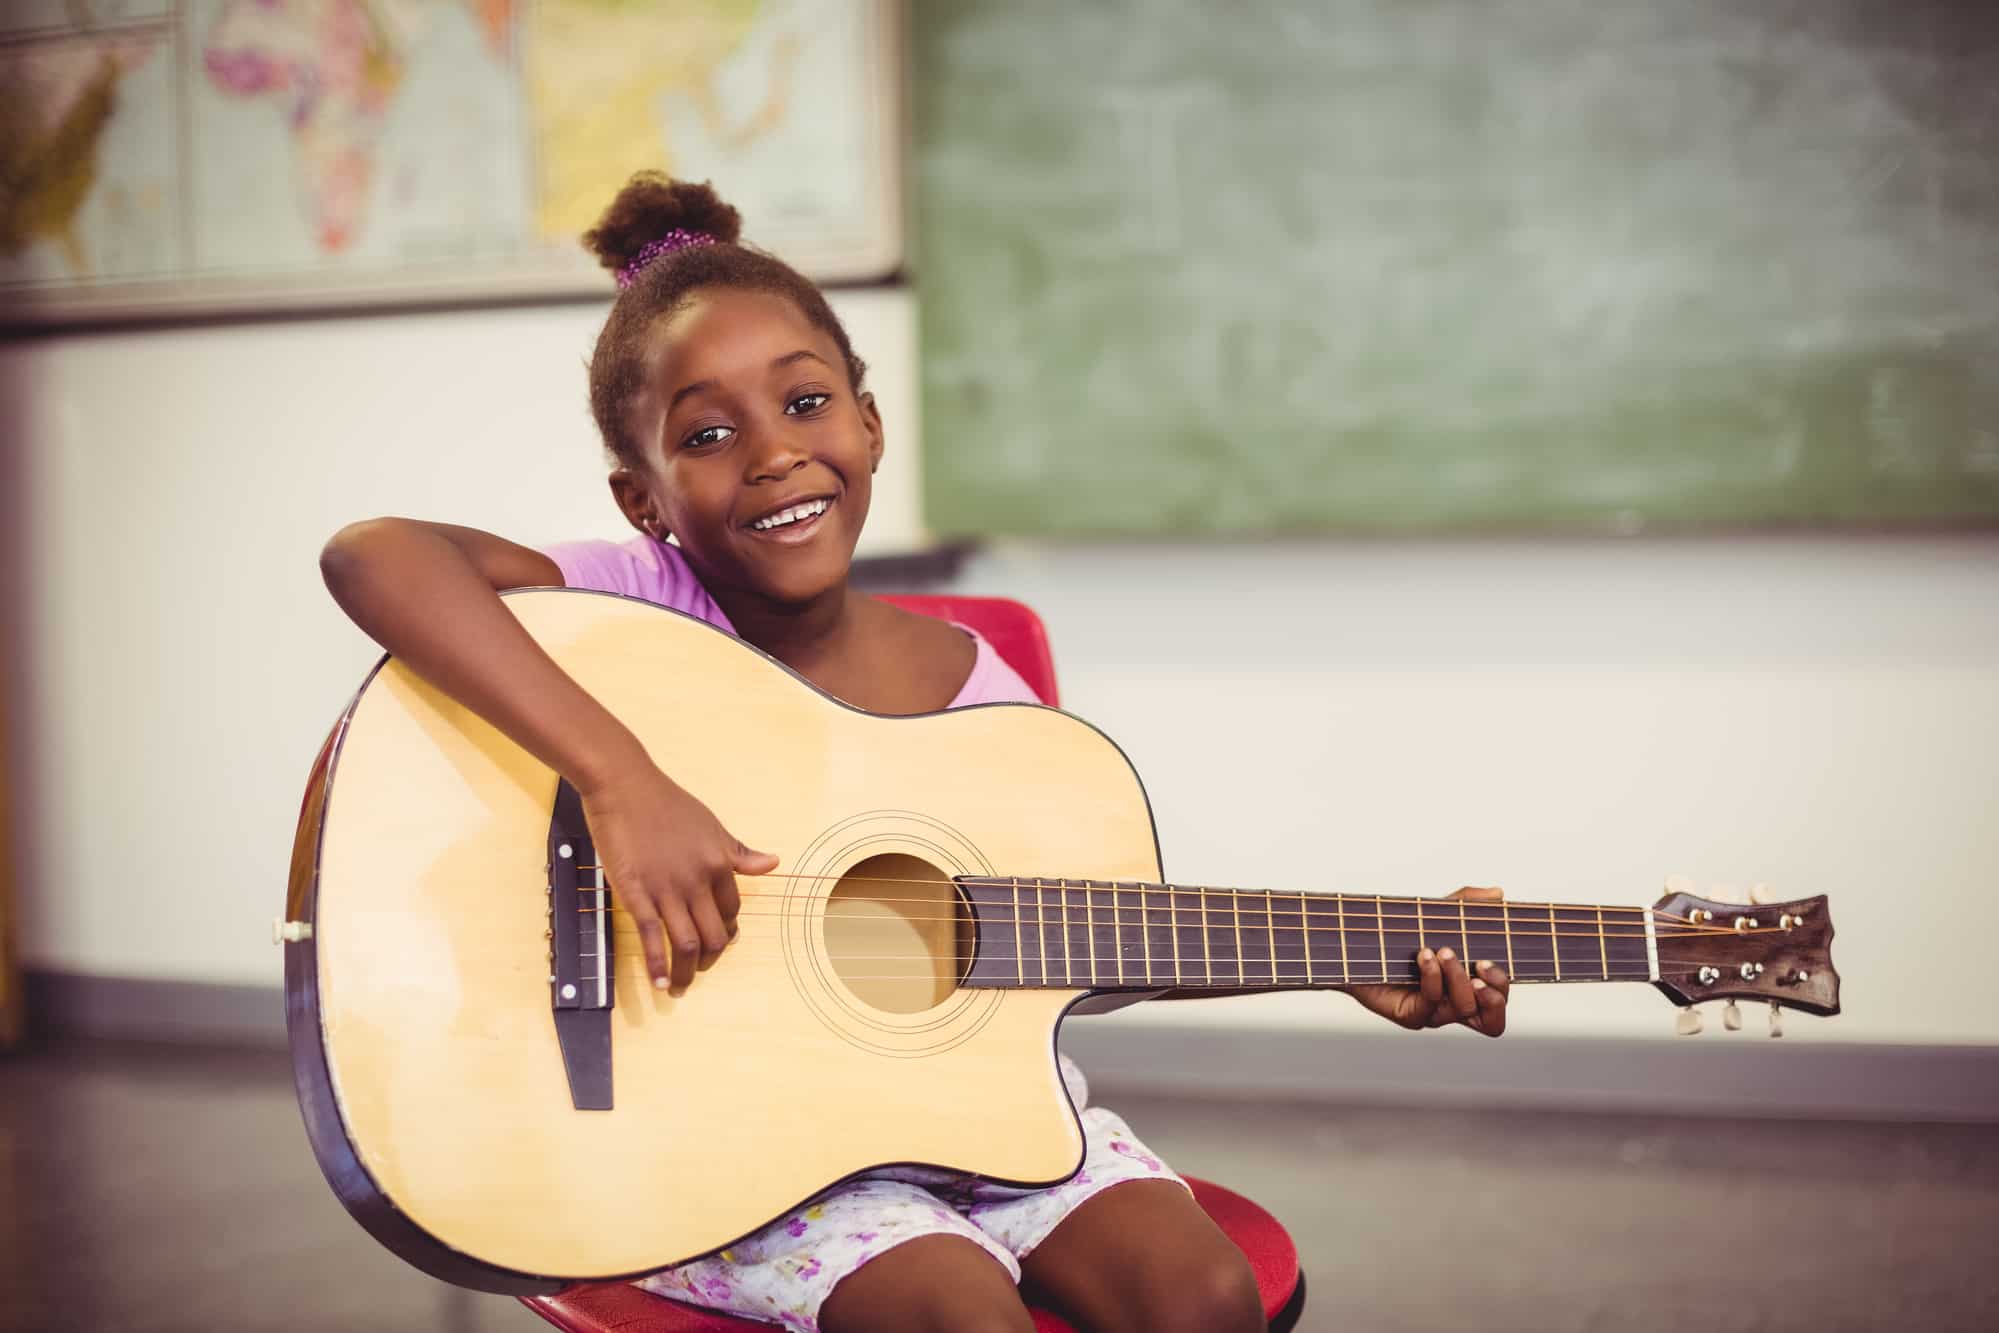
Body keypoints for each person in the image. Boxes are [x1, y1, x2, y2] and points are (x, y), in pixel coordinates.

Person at [319, 173, 1511, 1333]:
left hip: (979, 1113)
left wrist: (1353, 954)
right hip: (739, 1146)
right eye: (709, 433)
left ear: (870, 421)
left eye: (804, 403)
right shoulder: (632, 607)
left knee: (1198, 1296)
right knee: (952, 1311)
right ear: (644, 499)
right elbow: (375, 556)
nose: (774, 454)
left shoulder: (974, 697)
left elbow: (1071, 939)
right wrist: (621, 779)